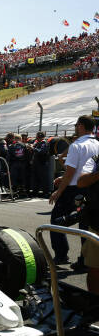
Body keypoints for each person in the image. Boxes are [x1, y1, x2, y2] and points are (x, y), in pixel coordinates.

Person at [49, 115, 99, 269]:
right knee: (86, 224)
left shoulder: (77, 145)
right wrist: (63, 177)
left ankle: (61, 255)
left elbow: (71, 171)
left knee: (56, 221)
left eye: (77, 125)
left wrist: (58, 191)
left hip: (73, 188)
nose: (75, 128)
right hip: (91, 188)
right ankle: (85, 260)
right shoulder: (97, 144)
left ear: (81, 126)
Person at [77, 151, 99, 294]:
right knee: (95, 268)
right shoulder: (95, 159)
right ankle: (94, 305)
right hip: (97, 225)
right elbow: (81, 181)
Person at [31, 132, 51, 198]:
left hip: (42, 163)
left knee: (43, 178)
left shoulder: (44, 143)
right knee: (36, 178)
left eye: (37, 136)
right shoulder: (36, 143)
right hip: (36, 163)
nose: (36, 137)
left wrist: (33, 148)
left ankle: (46, 193)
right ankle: (35, 192)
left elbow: (42, 151)